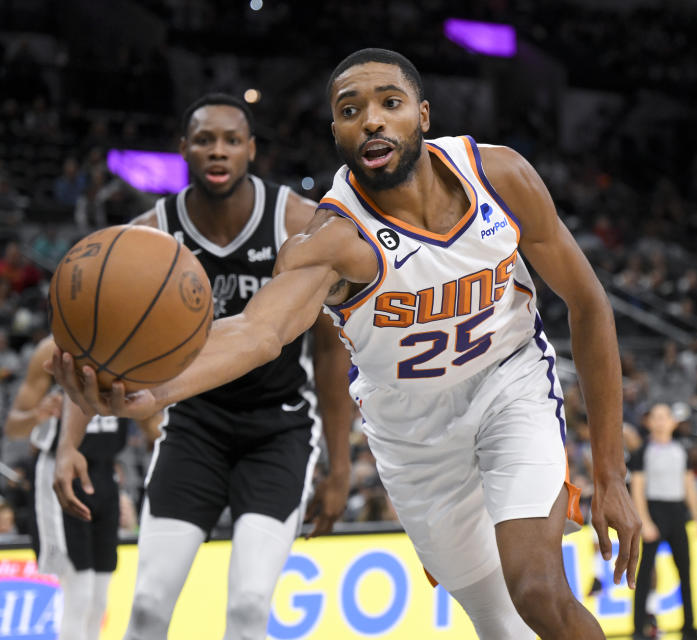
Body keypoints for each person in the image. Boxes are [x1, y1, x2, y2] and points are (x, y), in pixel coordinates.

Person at [51, 49, 641, 640]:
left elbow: (588, 304)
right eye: (350, 110)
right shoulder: (330, 239)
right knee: (499, 626)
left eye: (390, 102)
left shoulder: (500, 176)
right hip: (413, 437)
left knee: (538, 590)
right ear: (337, 132)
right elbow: (260, 332)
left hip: (509, 384)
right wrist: (156, 392)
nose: (373, 120)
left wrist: (611, 474)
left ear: (424, 115)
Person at [53, 93, 355, 639]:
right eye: (205, 140)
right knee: (145, 607)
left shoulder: (296, 222)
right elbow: (94, 346)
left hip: (278, 429)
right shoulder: (149, 233)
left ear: (251, 151)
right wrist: (69, 445)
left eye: (231, 141)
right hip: (194, 427)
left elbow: (332, 353)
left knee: (246, 609)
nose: (218, 151)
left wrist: (339, 467)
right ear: (183, 149)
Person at [4, 335, 154, 640]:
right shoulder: (51, 350)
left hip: (104, 474)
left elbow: (152, 425)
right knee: (79, 592)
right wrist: (38, 414)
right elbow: (13, 427)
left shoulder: (129, 345)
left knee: (100, 597)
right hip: (60, 476)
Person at [629, 403, 697, 640]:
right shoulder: (643, 452)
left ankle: (689, 628)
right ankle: (638, 629)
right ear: (649, 422)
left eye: (665, 417)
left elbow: (689, 485)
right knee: (645, 573)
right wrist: (644, 521)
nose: (661, 421)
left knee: (685, 571)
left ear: (673, 422)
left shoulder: (681, 450)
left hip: (677, 513)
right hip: (654, 511)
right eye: (656, 417)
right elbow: (637, 488)